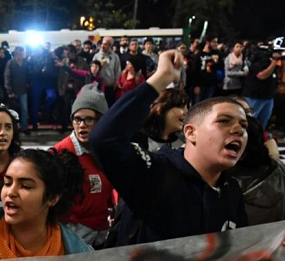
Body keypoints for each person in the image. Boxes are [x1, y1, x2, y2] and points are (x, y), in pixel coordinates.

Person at [90, 50, 248, 246]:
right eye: (224, 121)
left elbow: (238, 252)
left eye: (244, 125)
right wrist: (161, 78)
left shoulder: (231, 192)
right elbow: (104, 139)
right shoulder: (156, 174)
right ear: (190, 133)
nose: (238, 130)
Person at [54, 84, 113, 248]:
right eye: (77, 119)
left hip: (102, 230)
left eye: (89, 119)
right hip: (74, 233)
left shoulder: (105, 150)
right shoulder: (61, 153)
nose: (82, 125)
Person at [132, 88, 189, 152]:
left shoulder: (184, 142)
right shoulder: (138, 140)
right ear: (160, 109)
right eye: (181, 107)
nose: (186, 112)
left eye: (187, 107)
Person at [241, 45, 281, 130]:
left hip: (268, 97)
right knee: (250, 120)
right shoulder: (258, 64)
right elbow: (262, 76)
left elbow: (279, 74)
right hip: (254, 97)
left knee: (263, 122)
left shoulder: (272, 64)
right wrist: (274, 62)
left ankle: (259, 139)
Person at [4, 46, 30, 135]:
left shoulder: (26, 63)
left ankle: (24, 127)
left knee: (24, 110)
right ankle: (13, 128)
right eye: (19, 54)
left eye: (22, 53)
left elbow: (28, 75)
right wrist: (9, 91)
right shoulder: (11, 63)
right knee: (13, 111)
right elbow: (7, 77)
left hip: (23, 90)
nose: (21, 55)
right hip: (13, 90)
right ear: (16, 54)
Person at [92, 36, 121, 105]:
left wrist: (116, 82)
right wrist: (99, 66)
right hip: (99, 86)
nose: (102, 46)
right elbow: (92, 71)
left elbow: (117, 70)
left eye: (105, 44)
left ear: (110, 45)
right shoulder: (96, 56)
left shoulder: (115, 56)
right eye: (102, 43)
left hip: (110, 87)